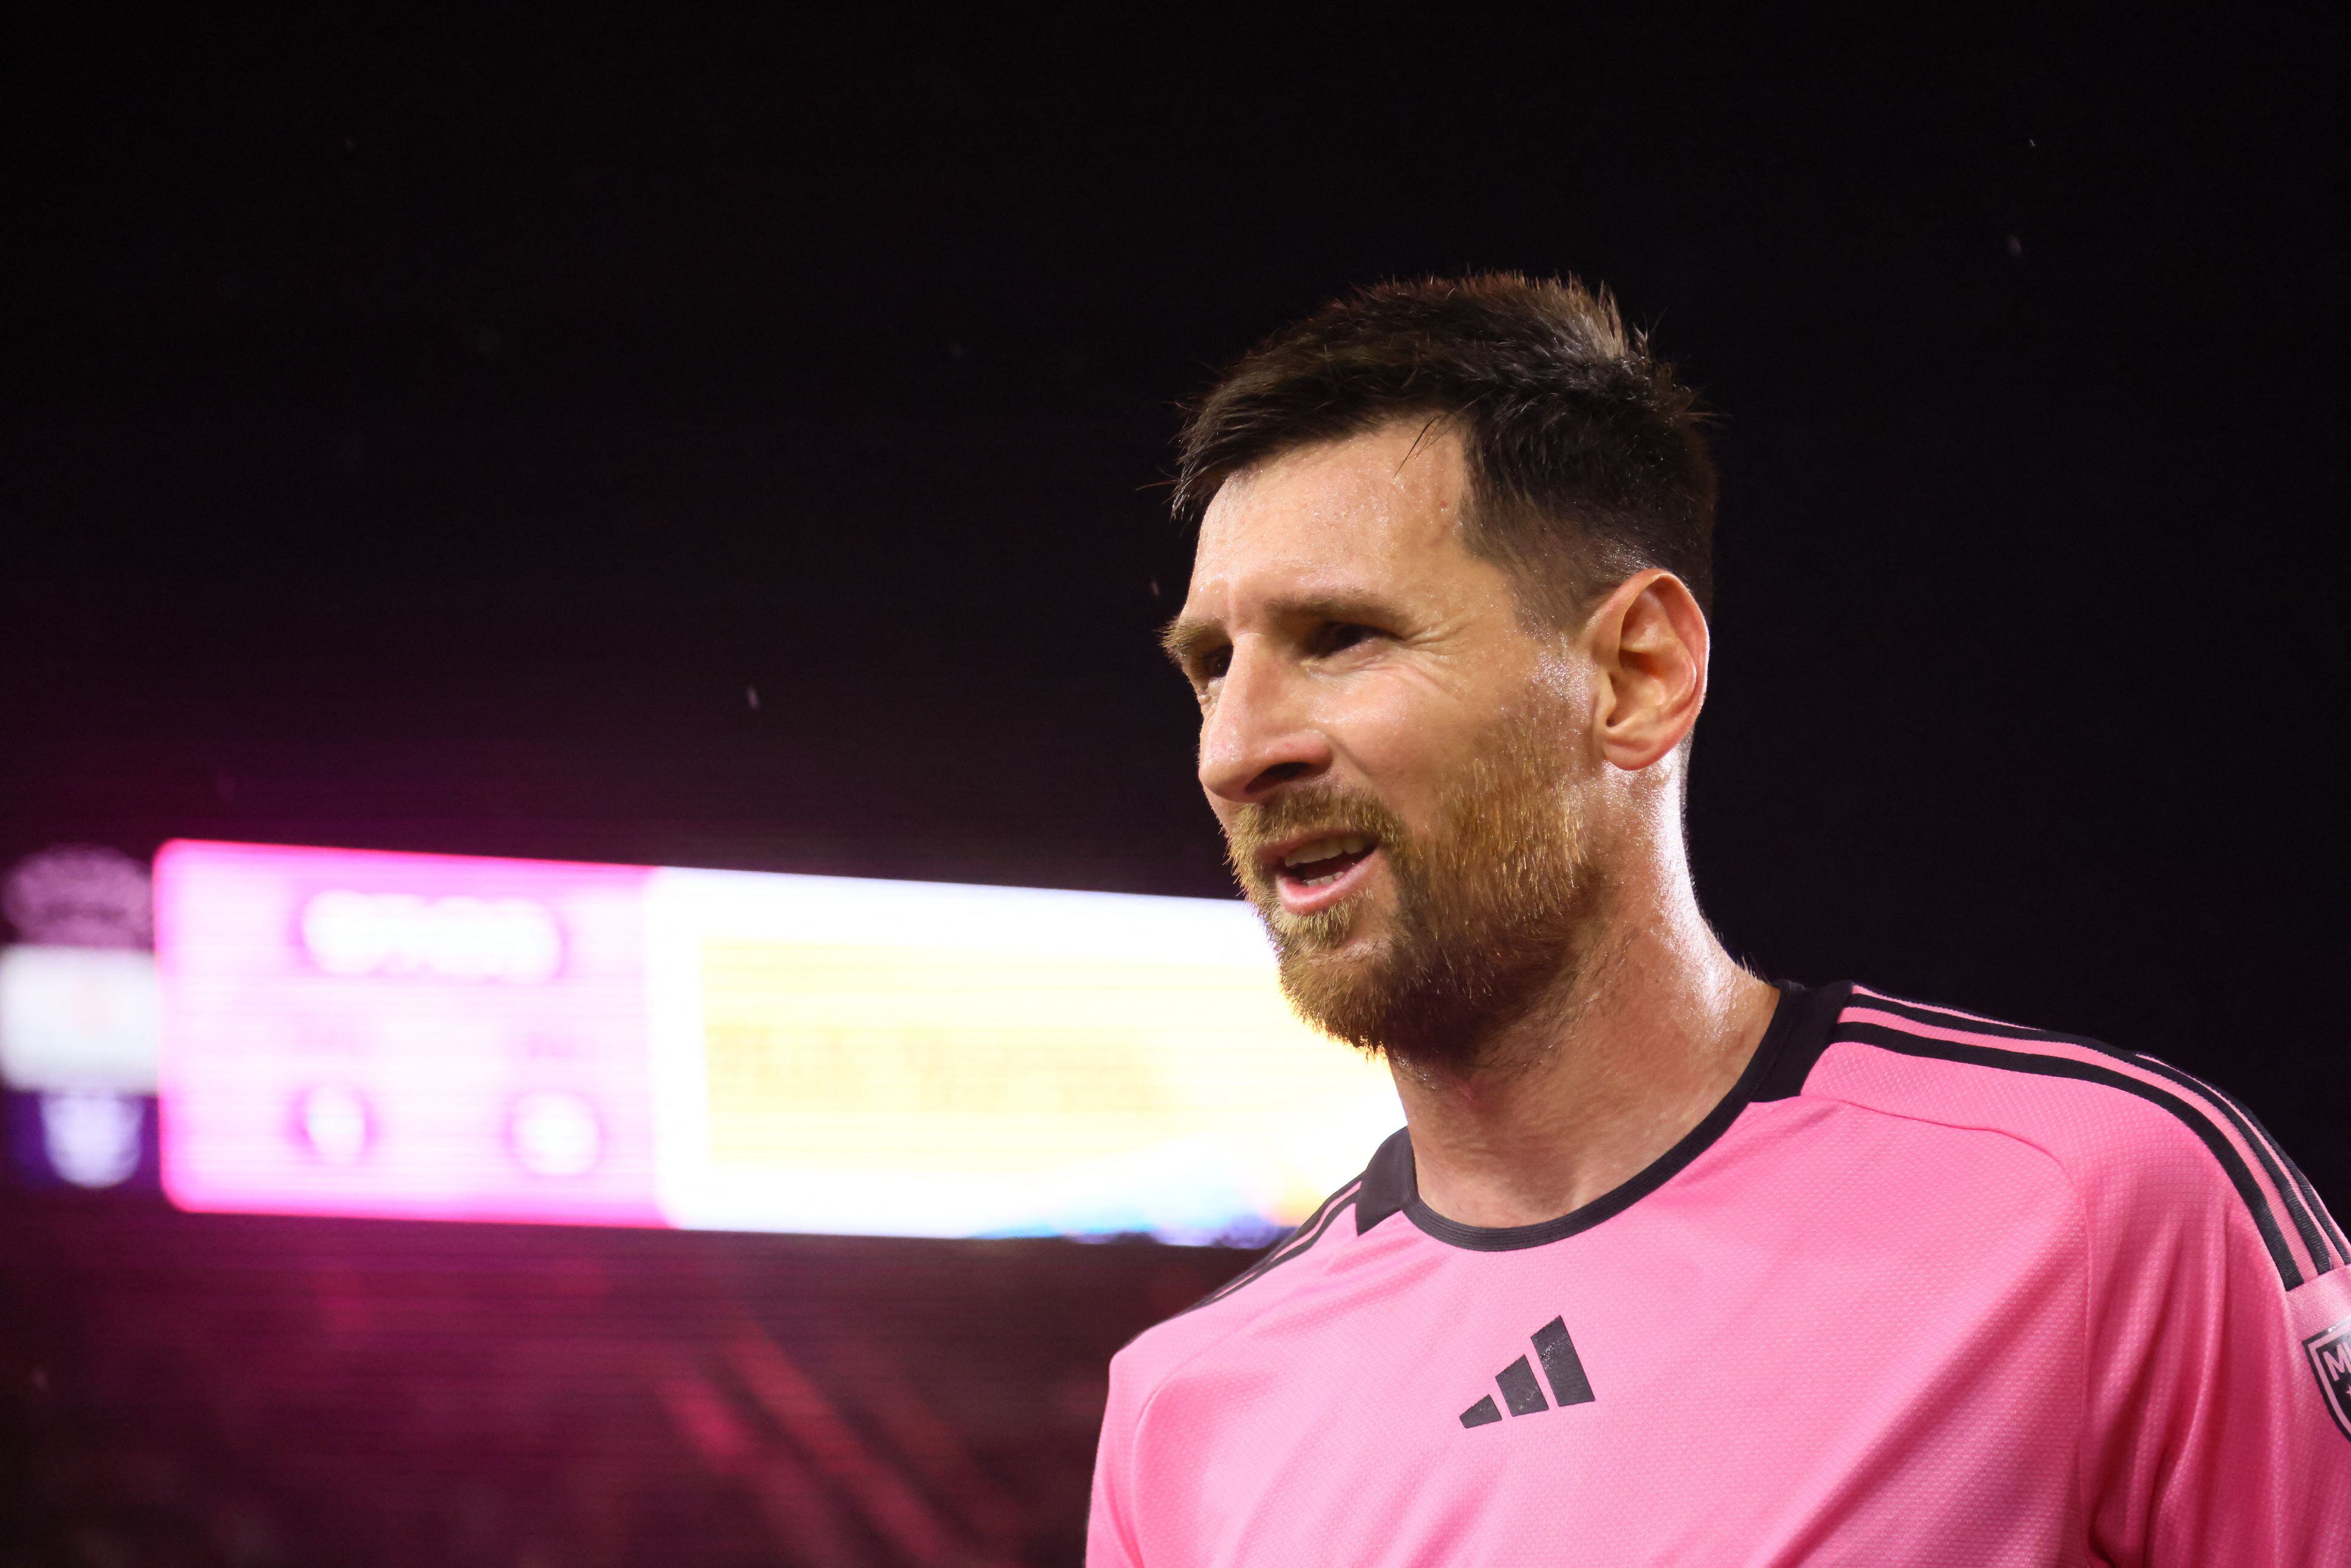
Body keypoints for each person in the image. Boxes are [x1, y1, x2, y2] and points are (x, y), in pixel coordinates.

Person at [1087, 274, 2351, 1566]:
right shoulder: (1182, 1411)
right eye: (1210, 668)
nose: (1235, 750)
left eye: (1342, 635)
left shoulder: (2093, 1207)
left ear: (1638, 673)